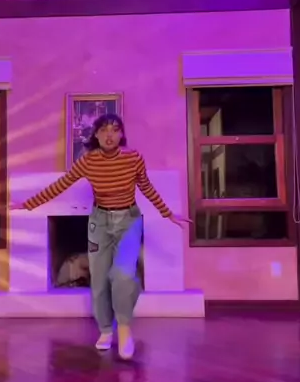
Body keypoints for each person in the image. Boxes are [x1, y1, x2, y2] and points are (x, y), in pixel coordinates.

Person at [13, 114, 189, 360]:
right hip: (99, 223)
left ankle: (124, 329)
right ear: (96, 134)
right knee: (98, 281)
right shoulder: (89, 161)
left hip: (128, 221)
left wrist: (168, 213)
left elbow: (147, 187)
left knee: (123, 274)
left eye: (115, 130)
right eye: (104, 130)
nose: (109, 135)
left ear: (121, 134)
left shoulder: (133, 158)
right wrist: (27, 204)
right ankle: (106, 330)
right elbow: (61, 185)